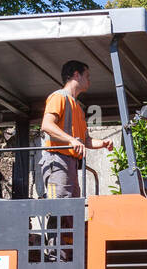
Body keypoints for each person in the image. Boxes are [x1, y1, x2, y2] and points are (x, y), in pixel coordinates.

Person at [37, 60, 113, 198]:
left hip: (70, 163)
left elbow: (85, 140)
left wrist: (102, 143)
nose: (89, 80)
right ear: (76, 75)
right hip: (58, 160)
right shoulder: (59, 97)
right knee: (60, 209)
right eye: (87, 76)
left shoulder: (78, 107)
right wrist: (71, 140)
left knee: (72, 210)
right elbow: (47, 125)